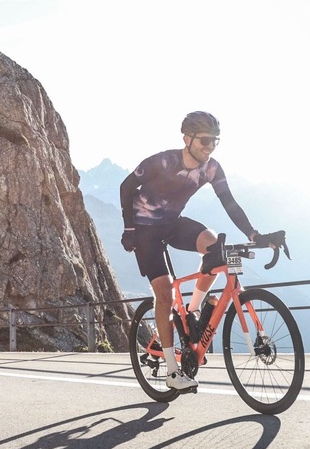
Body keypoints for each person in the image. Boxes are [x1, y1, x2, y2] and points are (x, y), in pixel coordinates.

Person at [120, 111, 281, 392]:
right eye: (205, 141)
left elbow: (229, 203)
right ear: (188, 139)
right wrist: (129, 228)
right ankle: (172, 371)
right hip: (145, 230)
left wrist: (254, 235)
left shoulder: (212, 169)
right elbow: (126, 186)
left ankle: (192, 312)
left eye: (215, 142)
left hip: (172, 224)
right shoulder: (163, 161)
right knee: (165, 292)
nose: (209, 147)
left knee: (213, 246)